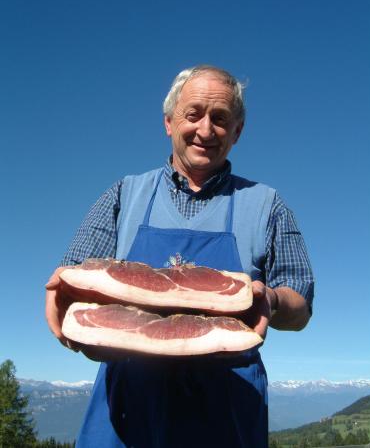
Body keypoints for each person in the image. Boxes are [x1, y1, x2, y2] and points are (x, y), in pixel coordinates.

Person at [46, 65, 314, 447]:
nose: (206, 130)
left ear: (237, 132)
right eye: (194, 115)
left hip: (226, 414)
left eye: (220, 119)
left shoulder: (267, 205)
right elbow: (74, 275)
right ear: (169, 123)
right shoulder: (124, 195)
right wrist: (63, 299)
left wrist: (270, 299)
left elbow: (300, 305)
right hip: (124, 415)